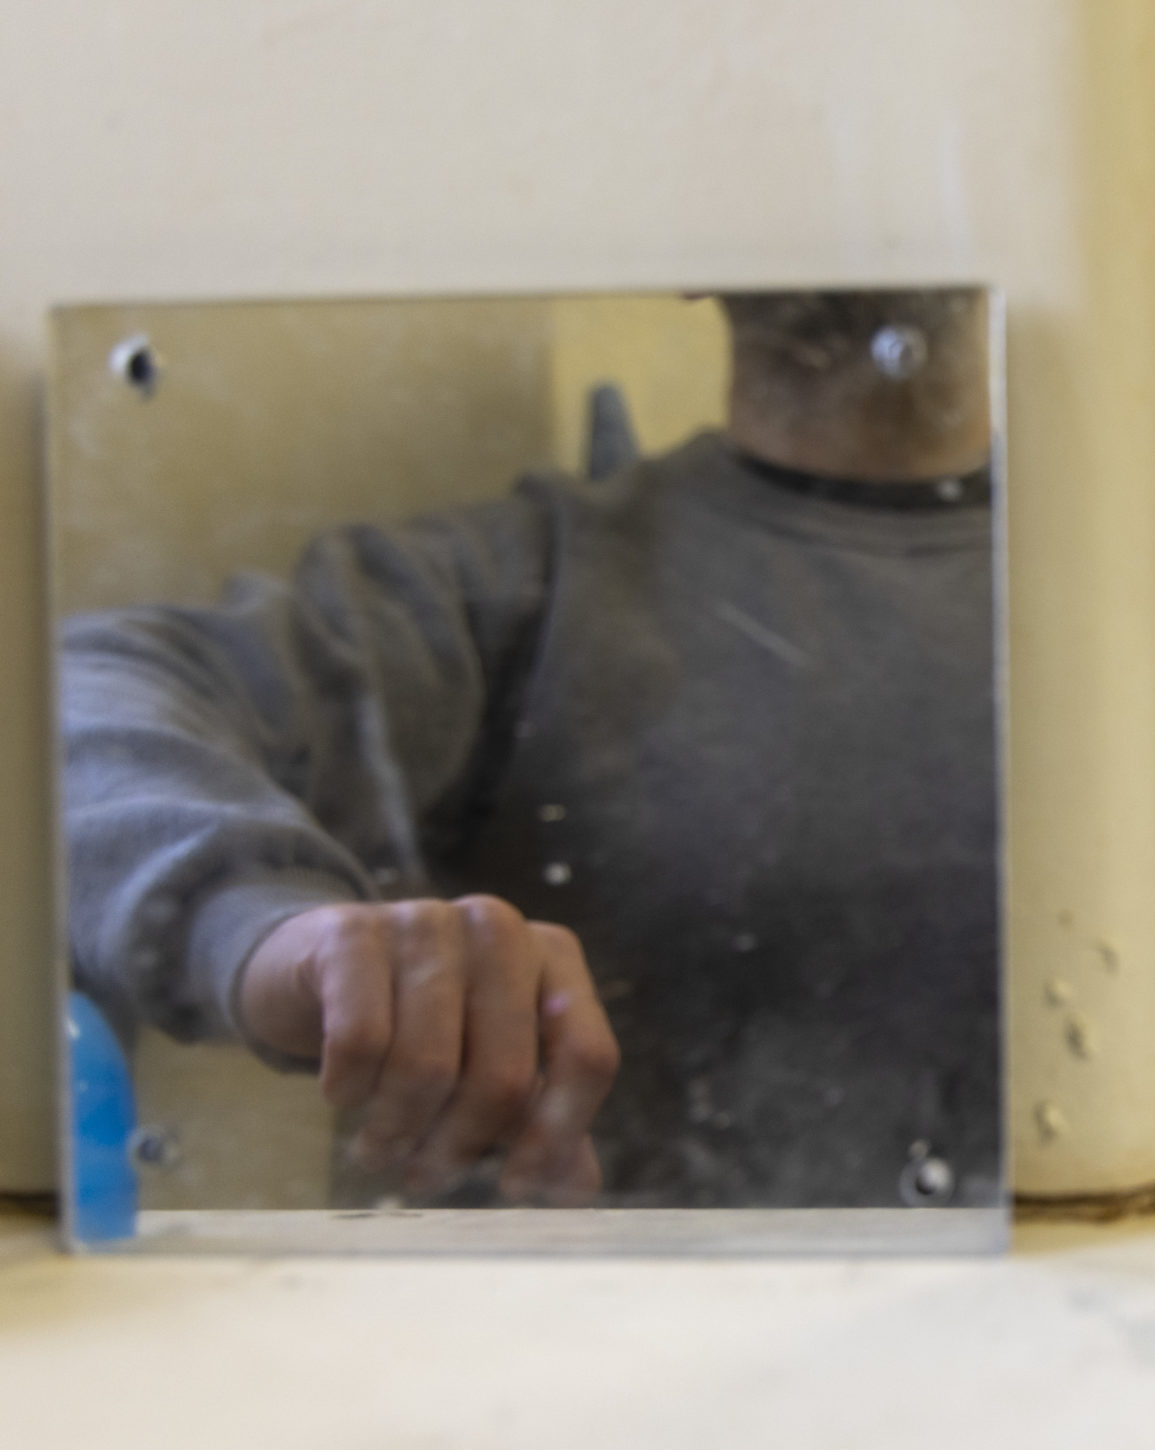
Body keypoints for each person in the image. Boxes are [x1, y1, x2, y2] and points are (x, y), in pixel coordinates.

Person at [60, 290, 1001, 1211]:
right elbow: (80, 699)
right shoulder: (534, 580)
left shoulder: (1121, 611)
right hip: (560, 1346)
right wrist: (270, 930)